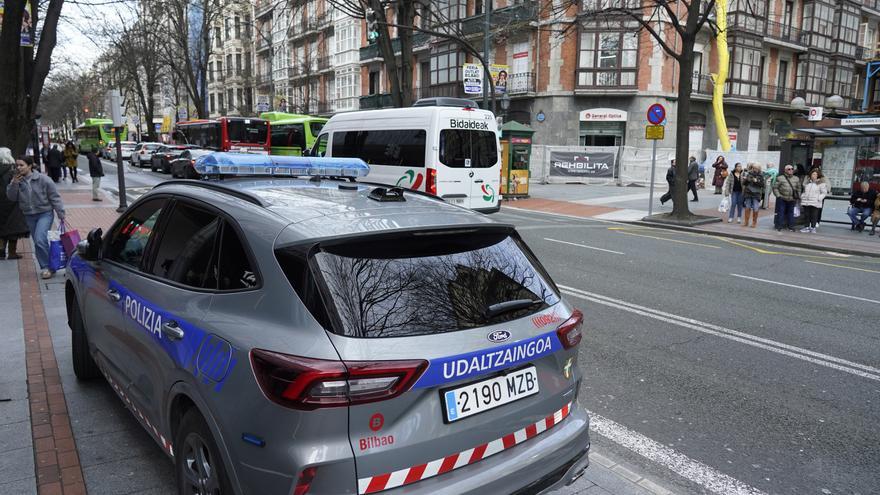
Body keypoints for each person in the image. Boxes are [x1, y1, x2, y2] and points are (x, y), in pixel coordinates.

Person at [6, 156, 65, 279]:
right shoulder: (17, 180)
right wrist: (14, 183)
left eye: (21, 165)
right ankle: (48, 266)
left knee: (39, 239)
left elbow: (54, 197)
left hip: (45, 213)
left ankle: (47, 267)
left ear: (30, 166)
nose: (18, 168)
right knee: (39, 242)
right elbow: (11, 197)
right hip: (29, 215)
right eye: (17, 165)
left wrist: (61, 213)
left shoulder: (43, 179)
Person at [0, 148, 29, 260]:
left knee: (1, 225)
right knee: (13, 227)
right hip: (12, 201)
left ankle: (1, 250)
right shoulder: (14, 171)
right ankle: (12, 252)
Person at [772, 164, 801, 232]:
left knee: (791, 213)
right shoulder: (780, 178)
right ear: (785, 170)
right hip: (782, 198)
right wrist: (778, 196)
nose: (791, 170)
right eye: (789, 169)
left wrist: (798, 195)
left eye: (792, 169)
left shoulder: (796, 178)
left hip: (792, 199)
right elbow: (775, 188)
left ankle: (791, 226)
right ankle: (779, 226)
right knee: (781, 212)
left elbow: (799, 188)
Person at [799, 169, 827, 233]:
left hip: (815, 202)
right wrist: (803, 196)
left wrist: (819, 198)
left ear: (818, 176)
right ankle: (806, 227)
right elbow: (804, 191)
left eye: (815, 174)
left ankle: (813, 227)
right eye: (813, 174)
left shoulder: (821, 183)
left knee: (814, 215)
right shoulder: (807, 183)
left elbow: (824, 193)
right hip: (806, 201)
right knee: (807, 215)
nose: (814, 175)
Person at [742, 163, 764, 228]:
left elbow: (762, 185)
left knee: (755, 207)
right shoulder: (749, 174)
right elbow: (744, 183)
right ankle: (746, 222)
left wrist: (756, 181)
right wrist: (746, 180)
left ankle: (754, 222)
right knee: (747, 207)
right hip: (748, 192)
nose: (755, 169)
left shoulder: (761, 175)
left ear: (759, 169)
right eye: (754, 168)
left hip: (756, 193)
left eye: (756, 168)